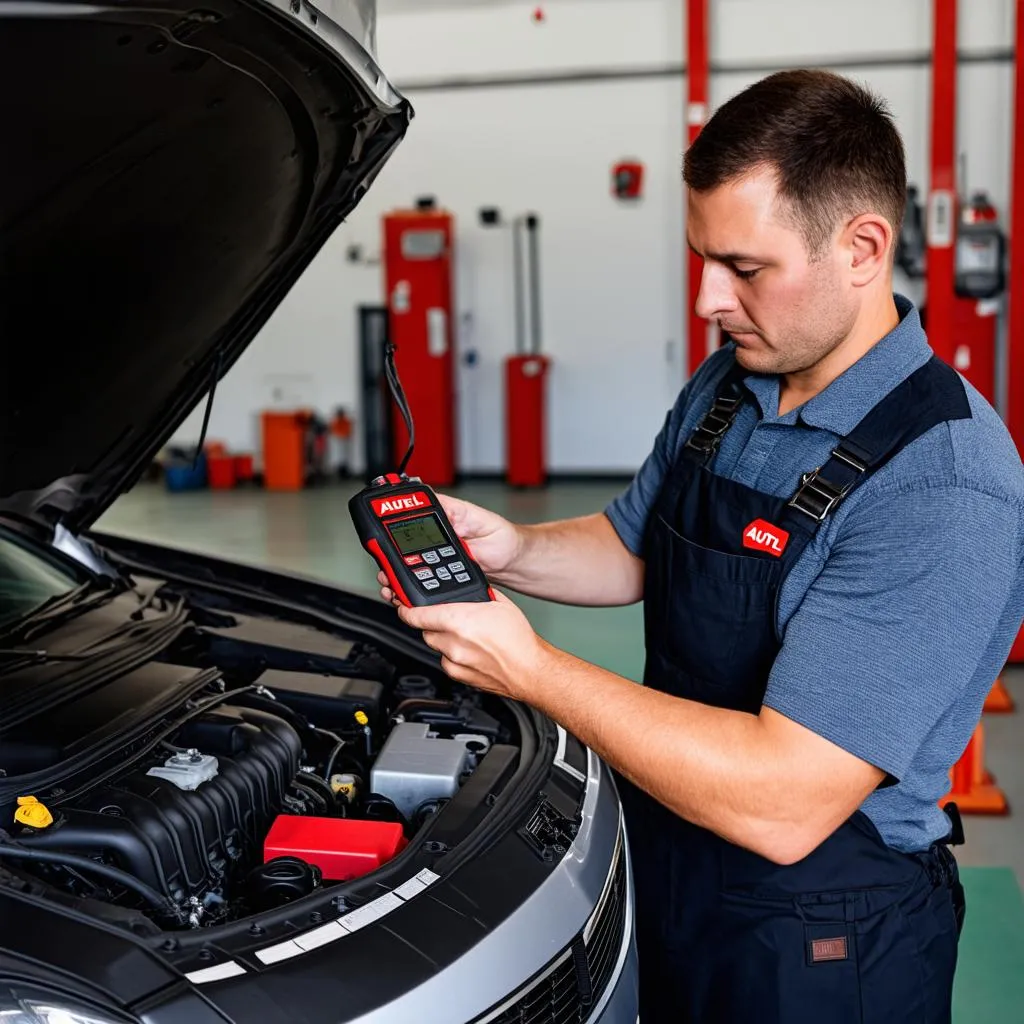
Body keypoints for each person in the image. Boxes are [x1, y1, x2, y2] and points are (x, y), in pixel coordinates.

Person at [379, 69, 1024, 1022]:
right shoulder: (733, 384)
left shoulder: (942, 481)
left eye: (745, 268)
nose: (708, 300)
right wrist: (507, 548)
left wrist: (534, 670)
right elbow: (631, 545)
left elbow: (785, 799)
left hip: (819, 943)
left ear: (863, 247)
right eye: (701, 260)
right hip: (671, 864)